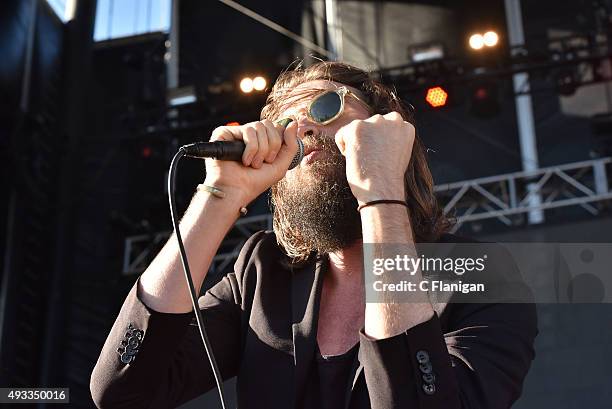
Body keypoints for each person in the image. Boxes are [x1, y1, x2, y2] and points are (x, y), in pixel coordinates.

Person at [90, 61, 537, 409]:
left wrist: (381, 191)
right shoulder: (262, 273)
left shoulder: (480, 277)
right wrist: (219, 196)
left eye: (325, 107)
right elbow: (123, 391)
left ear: (388, 129)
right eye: (285, 126)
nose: (302, 129)